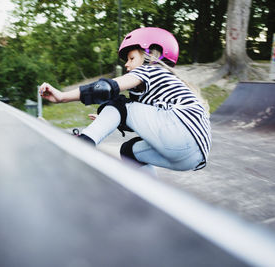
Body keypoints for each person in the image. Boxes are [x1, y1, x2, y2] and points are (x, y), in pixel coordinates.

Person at [39, 27, 211, 172]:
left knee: (118, 102)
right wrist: (108, 120)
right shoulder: (163, 90)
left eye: (131, 58)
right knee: (130, 153)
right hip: (193, 157)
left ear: (151, 55)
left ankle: (81, 144)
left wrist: (62, 97)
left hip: (180, 131)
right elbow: (149, 123)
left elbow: (105, 88)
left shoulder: (151, 70)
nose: (127, 65)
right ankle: (147, 197)